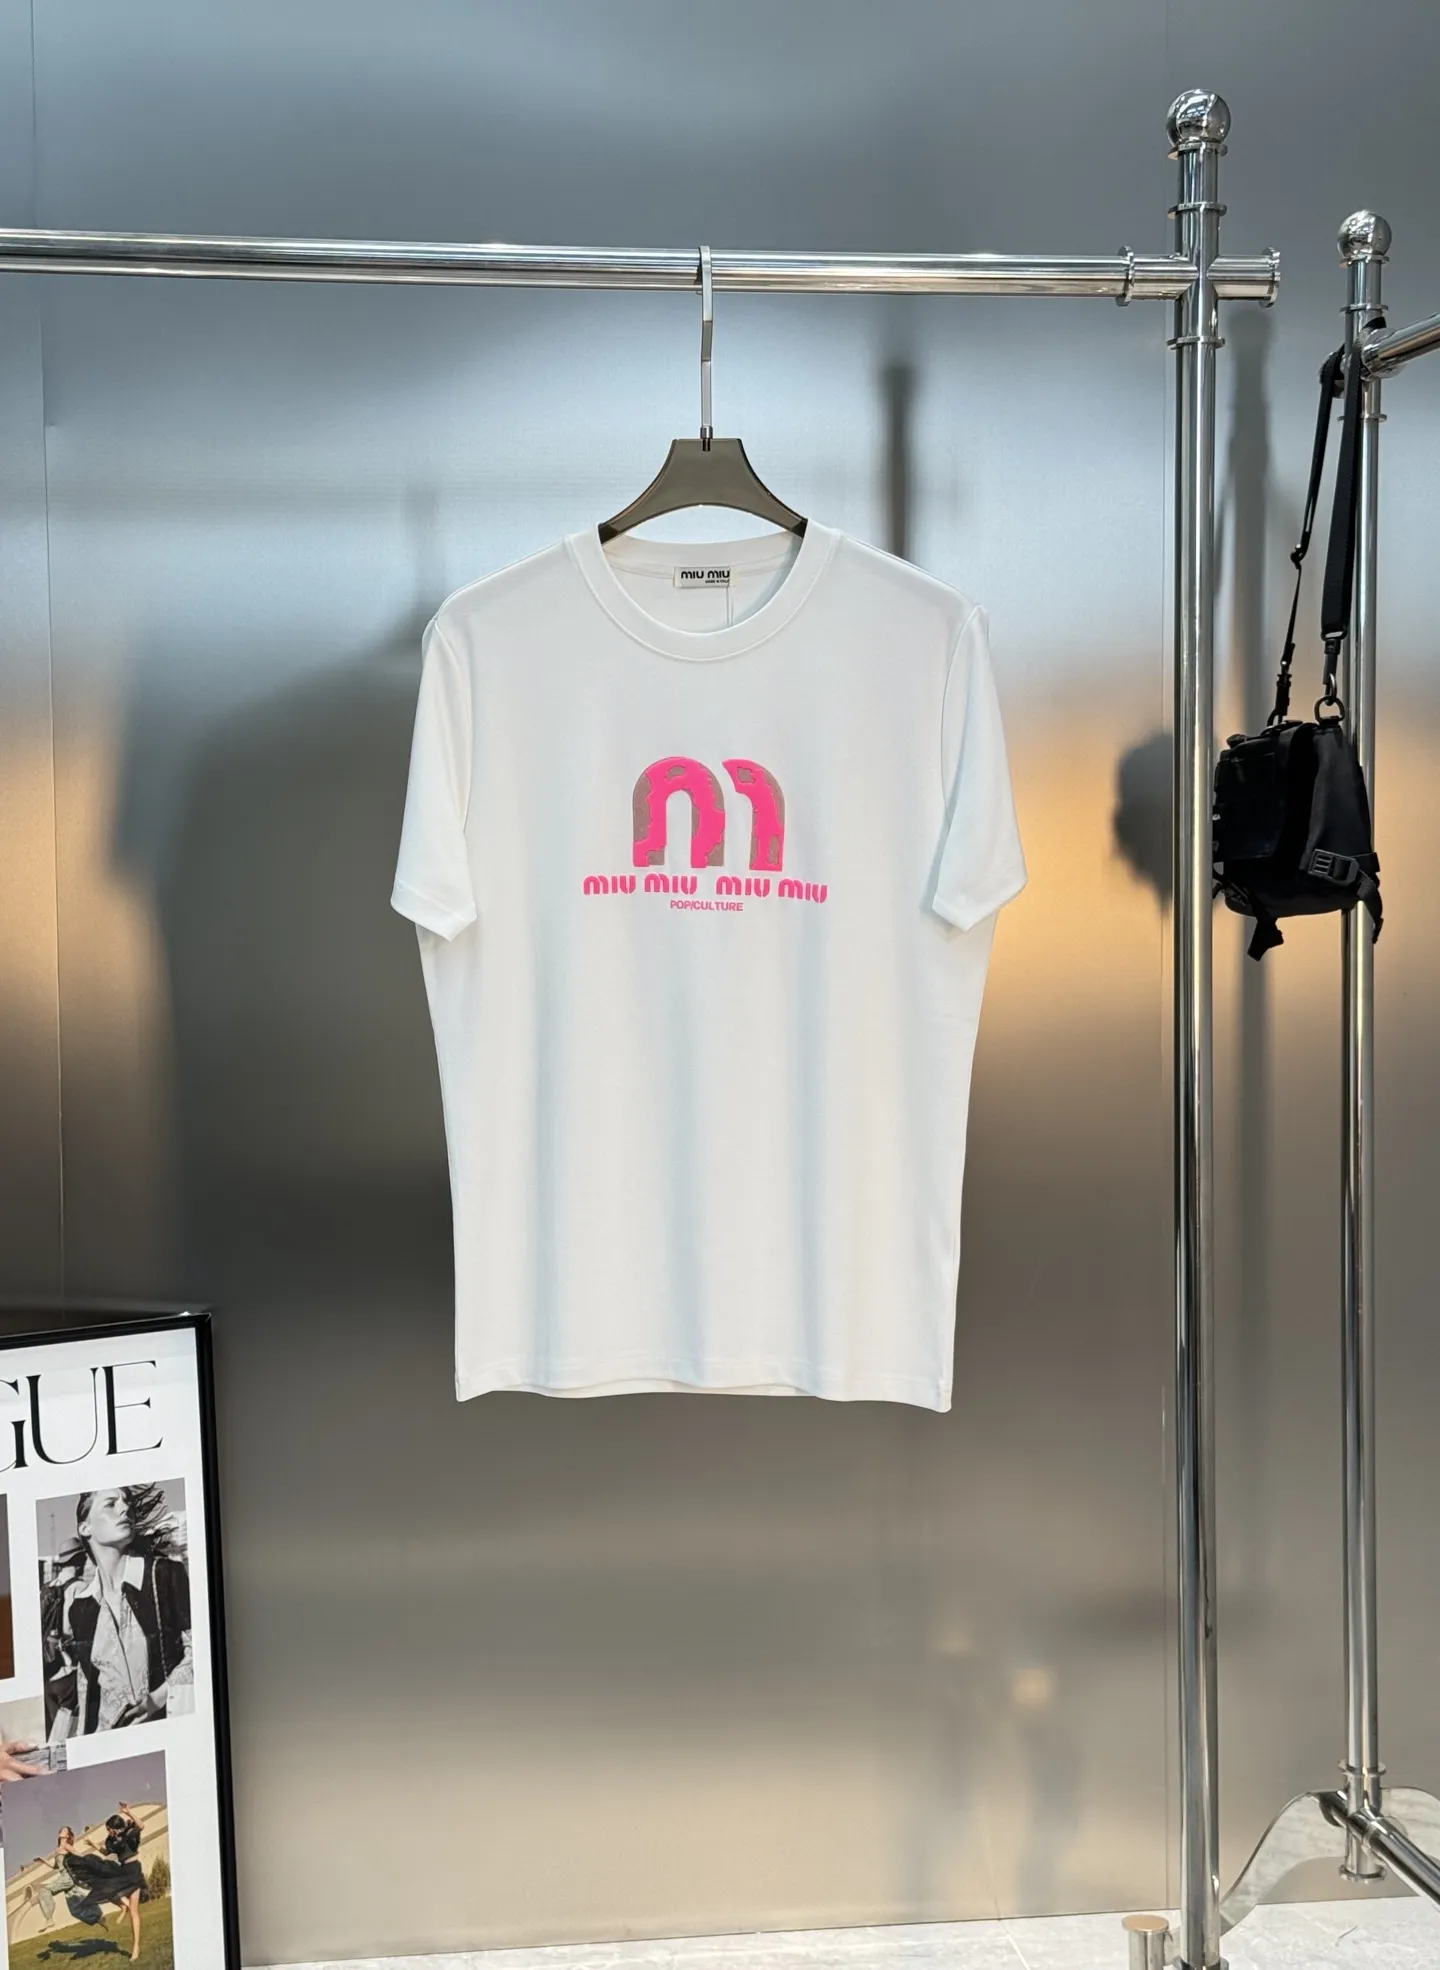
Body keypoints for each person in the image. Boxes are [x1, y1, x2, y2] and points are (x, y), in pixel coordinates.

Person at [45, 1485, 193, 1741]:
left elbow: (201, 1651)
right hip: (110, 1740)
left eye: (127, 1502)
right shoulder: (81, 1606)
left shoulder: (165, 1574)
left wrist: (157, 1699)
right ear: (85, 1528)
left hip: (166, 1732)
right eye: (110, 1504)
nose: (125, 1508)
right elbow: (86, 1687)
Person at [53, 1819, 146, 1960]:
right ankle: (123, 1906)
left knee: (134, 1912)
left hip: (134, 1872)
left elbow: (141, 1825)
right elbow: (105, 1852)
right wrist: (93, 1844)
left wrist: (128, 1812)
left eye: (108, 1829)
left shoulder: (129, 1833)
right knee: (106, 1888)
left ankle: (135, 1948)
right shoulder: (112, 1840)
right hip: (123, 1871)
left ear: (114, 1828)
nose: (108, 1832)